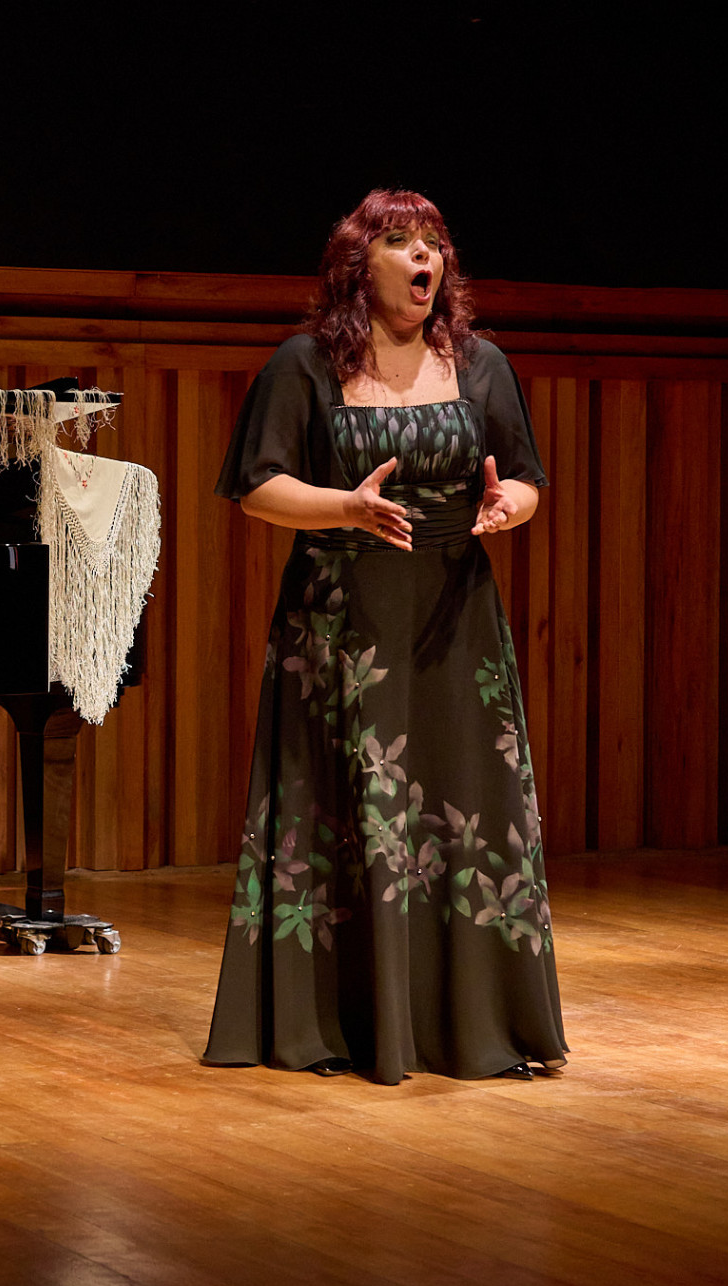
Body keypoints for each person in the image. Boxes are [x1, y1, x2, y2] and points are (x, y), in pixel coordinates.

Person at [202, 189, 567, 1083]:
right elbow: (256, 488)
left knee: (464, 809)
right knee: (344, 808)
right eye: (400, 241)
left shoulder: (481, 364)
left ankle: (472, 1025)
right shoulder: (306, 364)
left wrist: (506, 509)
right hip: (340, 621)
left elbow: (524, 479)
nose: (423, 256)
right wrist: (348, 507)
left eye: (433, 241)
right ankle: (333, 1026)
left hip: (454, 620)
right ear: (357, 265)